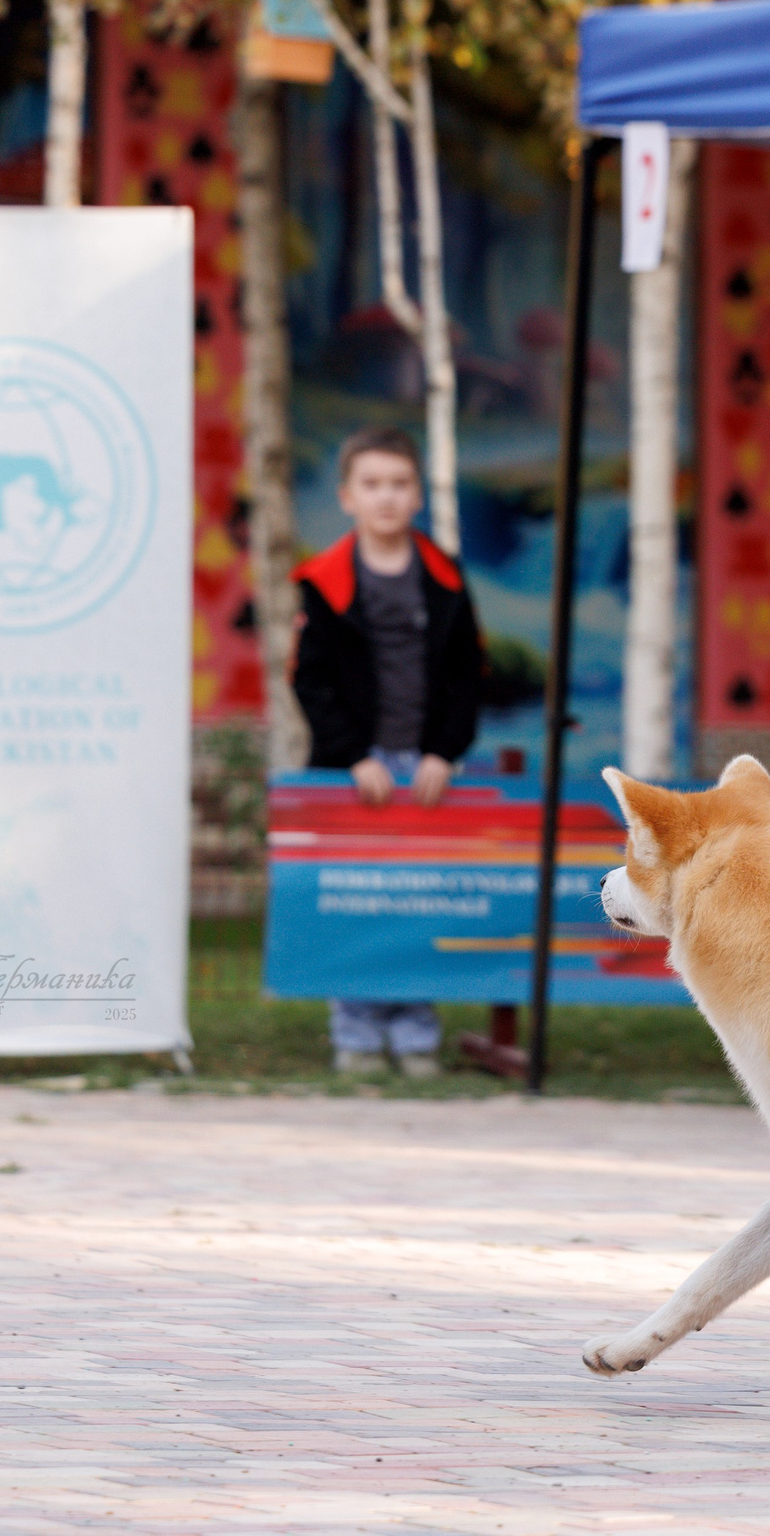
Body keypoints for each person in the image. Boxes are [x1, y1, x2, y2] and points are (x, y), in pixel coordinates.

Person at [291, 425, 485, 1079]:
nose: (386, 497)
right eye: (372, 484)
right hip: (356, 770)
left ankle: (413, 1029)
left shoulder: (445, 579)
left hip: (423, 770)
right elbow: (309, 680)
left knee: (416, 896)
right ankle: (356, 1030)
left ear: (418, 496)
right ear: (347, 496)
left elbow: (466, 676)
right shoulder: (321, 582)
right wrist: (352, 755)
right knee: (356, 900)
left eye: (399, 484)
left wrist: (442, 752)